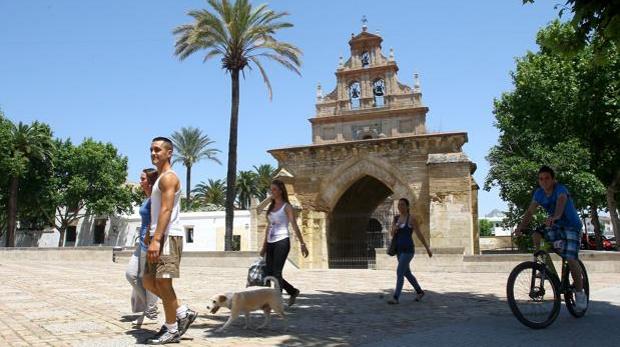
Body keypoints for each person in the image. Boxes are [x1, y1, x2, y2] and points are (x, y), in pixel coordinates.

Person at [142, 137, 197, 344]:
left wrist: (157, 240)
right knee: (148, 280)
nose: (153, 153)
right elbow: (156, 211)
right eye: (151, 150)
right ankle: (182, 312)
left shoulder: (169, 178)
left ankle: (172, 329)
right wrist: (151, 234)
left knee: (164, 283)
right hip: (158, 235)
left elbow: (166, 209)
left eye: (157, 150)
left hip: (168, 236)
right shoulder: (159, 178)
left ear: (169, 152)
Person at [515, 165, 586, 311]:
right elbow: (530, 211)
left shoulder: (560, 189)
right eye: (541, 179)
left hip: (571, 226)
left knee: (571, 260)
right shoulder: (539, 193)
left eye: (547, 178)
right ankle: (547, 268)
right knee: (536, 234)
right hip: (554, 225)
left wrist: (557, 215)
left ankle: (580, 294)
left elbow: (561, 201)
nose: (544, 181)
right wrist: (520, 227)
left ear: (553, 179)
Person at [259, 179, 309, 306]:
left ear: (281, 191)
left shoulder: (287, 206)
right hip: (270, 242)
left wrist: (303, 244)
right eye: (271, 189)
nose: (272, 191)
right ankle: (292, 291)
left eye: (274, 189)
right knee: (268, 272)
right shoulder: (270, 206)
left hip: (282, 241)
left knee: (277, 272)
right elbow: (268, 227)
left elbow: (294, 224)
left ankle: (276, 301)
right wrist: (264, 246)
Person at [125, 168, 159, 326]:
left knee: (148, 279)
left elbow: (156, 221)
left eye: (143, 178)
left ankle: (151, 312)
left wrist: (153, 240)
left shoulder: (155, 198)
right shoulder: (147, 198)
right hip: (142, 243)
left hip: (150, 242)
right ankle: (149, 309)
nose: (140, 181)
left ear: (151, 181)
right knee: (132, 274)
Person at [388, 198, 432, 304]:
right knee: (406, 273)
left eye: (402, 205)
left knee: (399, 272)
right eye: (399, 205)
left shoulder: (412, 219)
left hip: (408, 250)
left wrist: (427, 248)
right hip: (398, 250)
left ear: (407, 206)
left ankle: (396, 297)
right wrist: (395, 227)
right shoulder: (396, 218)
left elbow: (419, 234)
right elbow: (392, 234)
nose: (400, 206)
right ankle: (420, 292)